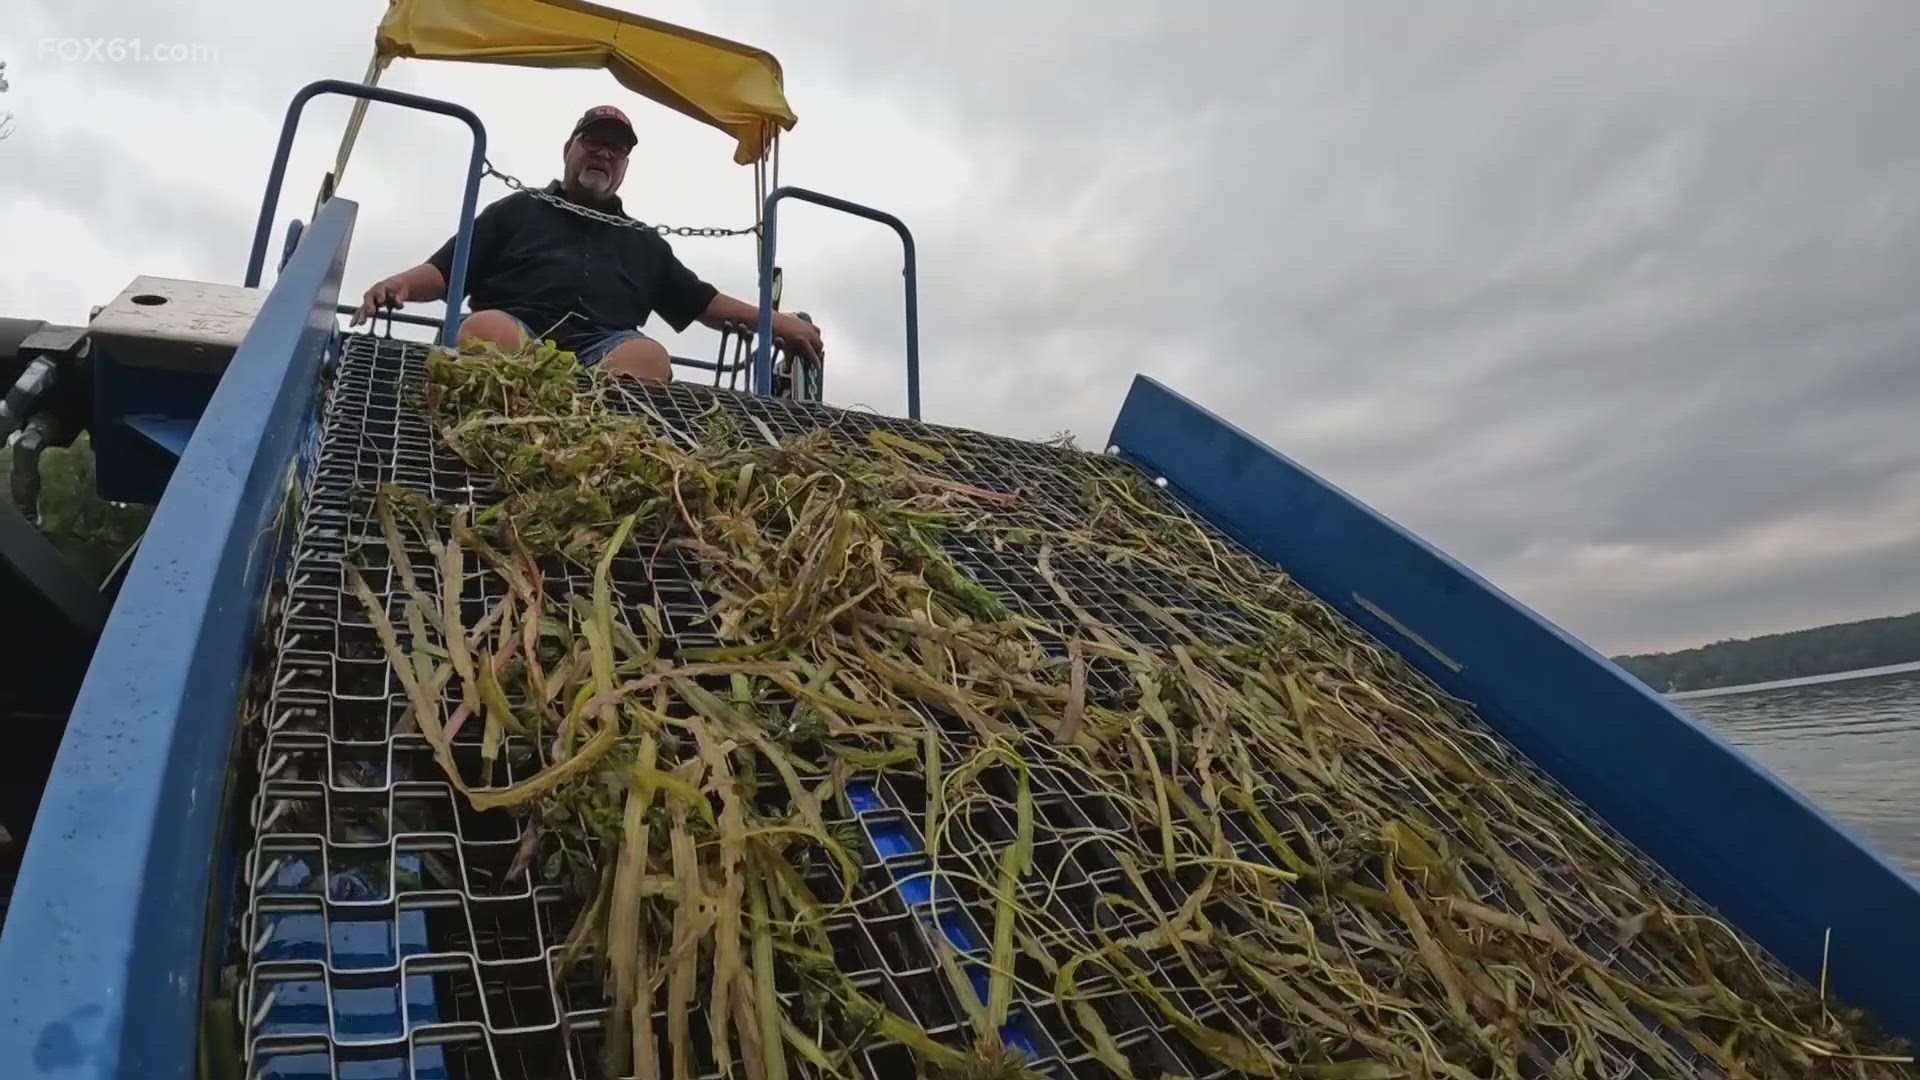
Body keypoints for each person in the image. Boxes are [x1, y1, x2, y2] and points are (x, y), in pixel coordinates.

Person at [349, 105, 823, 382]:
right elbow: (445, 272)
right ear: (569, 149)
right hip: (517, 334)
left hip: (604, 350)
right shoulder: (514, 211)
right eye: (594, 141)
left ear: (624, 167)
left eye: (616, 149)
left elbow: (704, 302)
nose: (604, 152)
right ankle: (516, 421)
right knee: (488, 328)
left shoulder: (643, 243)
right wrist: (398, 283)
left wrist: (778, 322)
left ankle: (588, 441)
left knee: (650, 356)